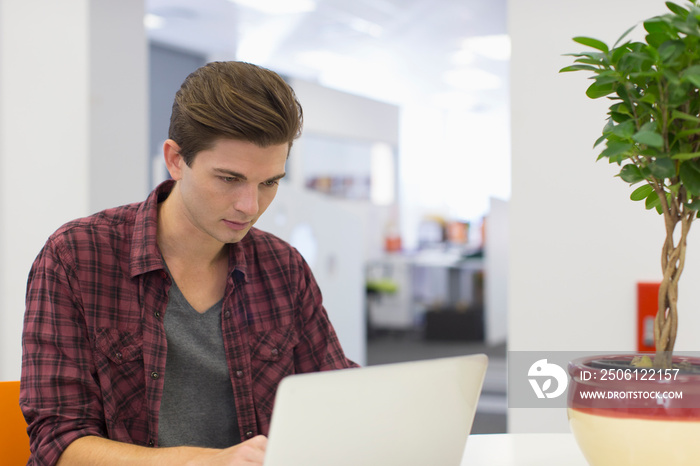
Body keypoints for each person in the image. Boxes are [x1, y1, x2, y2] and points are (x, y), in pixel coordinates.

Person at [20, 61, 358, 466]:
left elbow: (334, 396)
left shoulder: (283, 267)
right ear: (176, 159)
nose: (250, 206)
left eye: (269, 182)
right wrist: (205, 462)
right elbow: (57, 442)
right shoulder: (76, 256)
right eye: (229, 178)